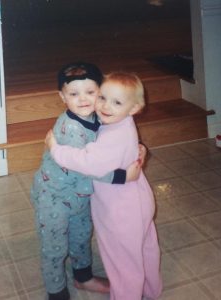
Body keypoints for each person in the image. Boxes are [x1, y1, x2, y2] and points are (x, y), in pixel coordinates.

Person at [30, 63, 145, 300]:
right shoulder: (71, 128)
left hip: (81, 194)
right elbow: (90, 166)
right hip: (54, 198)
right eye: (73, 94)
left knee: (81, 236)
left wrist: (137, 148)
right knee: (55, 248)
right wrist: (124, 176)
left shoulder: (98, 115)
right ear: (62, 96)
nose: (83, 100)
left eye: (91, 93)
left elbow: (114, 142)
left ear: (100, 93)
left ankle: (83, 278)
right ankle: (57, 293)